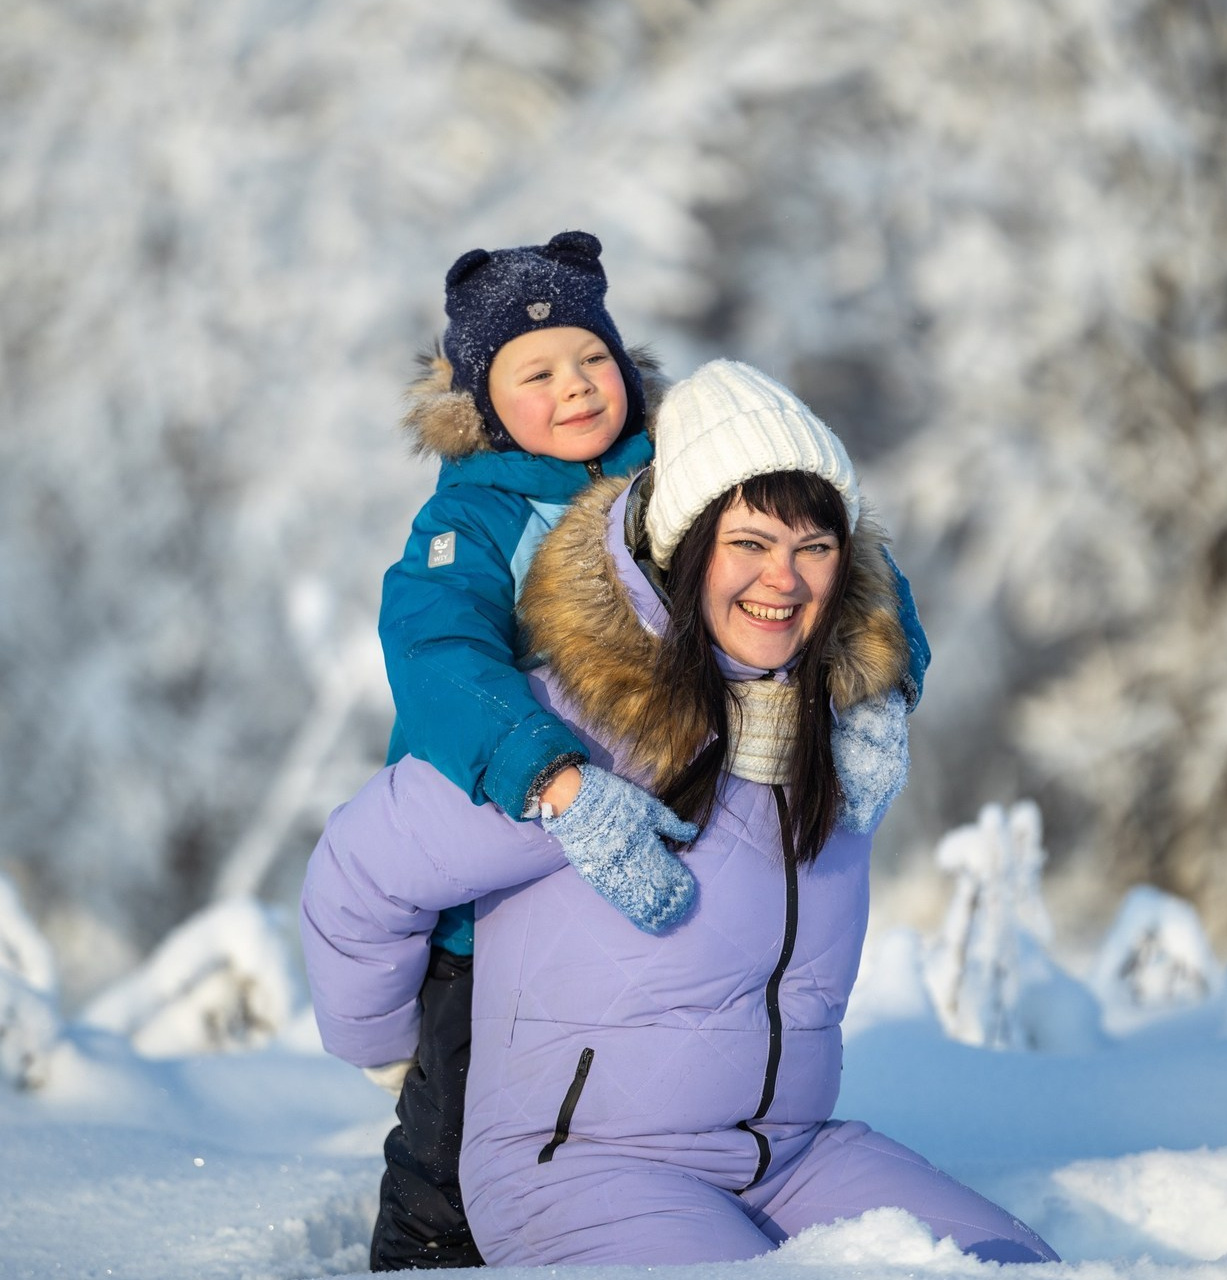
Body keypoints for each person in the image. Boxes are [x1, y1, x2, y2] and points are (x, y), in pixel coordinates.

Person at [302, 360, 1057, 1267]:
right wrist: (396, 1053)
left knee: (1015, 1264)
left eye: (814, 547)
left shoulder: (831, 732)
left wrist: (881, 697)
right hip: (582, 1169)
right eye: (749, 543)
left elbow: (885, 614)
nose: (784, 579)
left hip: (788, 1157)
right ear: (687, 546)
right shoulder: (574, 729)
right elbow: (358, 869)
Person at [367, 232, 931, 1269]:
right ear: (486, 402)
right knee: (453, 1120)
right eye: (534, 373)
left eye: (592, 359)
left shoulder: (681, 472)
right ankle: (425, 1251)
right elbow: (439, 658)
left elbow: (852, 565)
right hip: (497, 840)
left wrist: (875, 691)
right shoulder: (469, 522)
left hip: (656, 829)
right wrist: (553, 773)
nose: (575, 387)